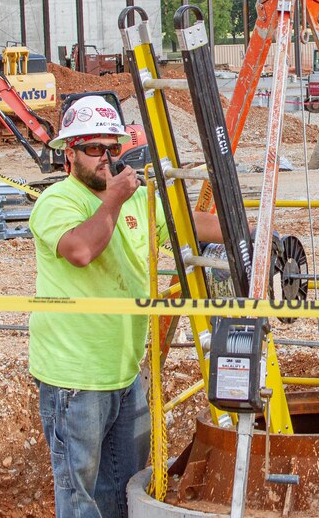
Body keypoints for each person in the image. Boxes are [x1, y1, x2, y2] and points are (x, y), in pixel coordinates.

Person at [29, 95, 221, 517]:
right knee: (79, 494)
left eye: (111, 148)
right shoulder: (58, 202)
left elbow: (187, 223)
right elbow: (80, 250)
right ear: (69, 153)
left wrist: (257, 234)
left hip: (125, 371)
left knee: (124, 485)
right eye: (93, 149)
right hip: (74, 378)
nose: (105, 158)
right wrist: (113, 198)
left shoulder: (136, 199)